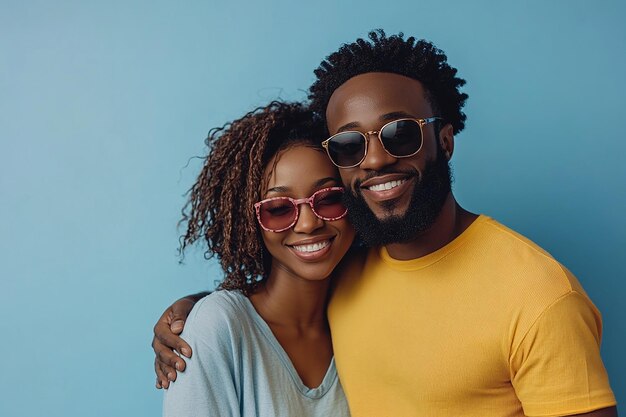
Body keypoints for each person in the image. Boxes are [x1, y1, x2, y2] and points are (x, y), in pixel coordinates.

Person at [153, 31, 617, 416]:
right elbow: (268, 306)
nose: (375, 158)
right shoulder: (351, 270)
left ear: (445, 139)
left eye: (400, 134)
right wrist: (197, 309)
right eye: (350, 145)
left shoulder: (540, 297)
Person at [161, 101, 354, 416]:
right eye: (278, 208)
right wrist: (196, 311)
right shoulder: (216, 326)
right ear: (248, 221)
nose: (308, 224)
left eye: (330, 199)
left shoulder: (364, 315)